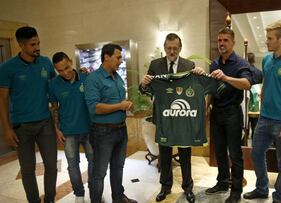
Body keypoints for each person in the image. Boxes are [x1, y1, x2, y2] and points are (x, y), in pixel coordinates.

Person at [243, 22, 281, 203]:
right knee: (256, 153)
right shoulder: (267, 60)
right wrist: (262, 104)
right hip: (265, 118)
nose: (266, 41)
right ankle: (262, 188)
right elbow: (266, 85)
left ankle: (278, 197)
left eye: (270, 38)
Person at [0, 26, 58, 203]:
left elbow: (55, 85)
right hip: (21, 127)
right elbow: (2, 100)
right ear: (21, 45)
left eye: (38, 43)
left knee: (51, 165)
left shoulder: (45, 62)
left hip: (45, 123)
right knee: (27, 169)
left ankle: (49, 199)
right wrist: (7, 129)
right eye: (33, 44)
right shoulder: (7, 68)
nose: (37, 47)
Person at [140, 33, 197, 203]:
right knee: (164, 155)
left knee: (185, 154)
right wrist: (144, 83)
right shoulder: (155, 65)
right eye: (169, 48)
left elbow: (193, 90)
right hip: (164, 118)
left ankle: (188, 188)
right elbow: (146, 89)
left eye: (175, 48)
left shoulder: (189, 65)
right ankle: (165, 187)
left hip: (182, 116)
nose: (172, 51)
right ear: (165, 48)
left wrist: (199, 75)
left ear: (180, 48)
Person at [205, 27, 253, 203]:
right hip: (216, 113)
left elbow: (247, 84)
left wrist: (226, 78)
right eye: (219, 40)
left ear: (233, 42)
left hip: (232, 114)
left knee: (235, 154)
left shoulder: (241, 63)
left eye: (225, 40)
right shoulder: (214, 64)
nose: (222, 43)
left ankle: (236, 191)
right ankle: (222, 182)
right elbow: (211, 88)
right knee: (219, 151)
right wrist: (206, 109)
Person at [84, 44, 136, 203]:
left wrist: (126, 104)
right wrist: (120, 106)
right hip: (103, 133)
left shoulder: (117, 76)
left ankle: (118, 198)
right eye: (118, 57)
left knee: (118, 168)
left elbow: (118, 101)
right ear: (106, 57)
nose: (121, 61)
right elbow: (95, 108)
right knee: (99, 173)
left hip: (121, 130)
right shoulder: (93, 79)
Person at [49, 52, 93, 203]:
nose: (65, 73)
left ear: (71, 62)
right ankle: (79, 194)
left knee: (94, 162)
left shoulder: (86, 77)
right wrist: (56, 129)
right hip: (68, 132)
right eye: (60, 70)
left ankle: (95, 191)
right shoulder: (53, 84)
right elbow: (54, 108)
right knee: (72, 165)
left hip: (89, 129)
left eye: (67, 68)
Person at [247, 52, 263, 142]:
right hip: (256, 105)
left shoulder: (243, 71)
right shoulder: (260, 73)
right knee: (254, 128)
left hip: (245, 103)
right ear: (254, 60)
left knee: (243, 128)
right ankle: (253, 147)